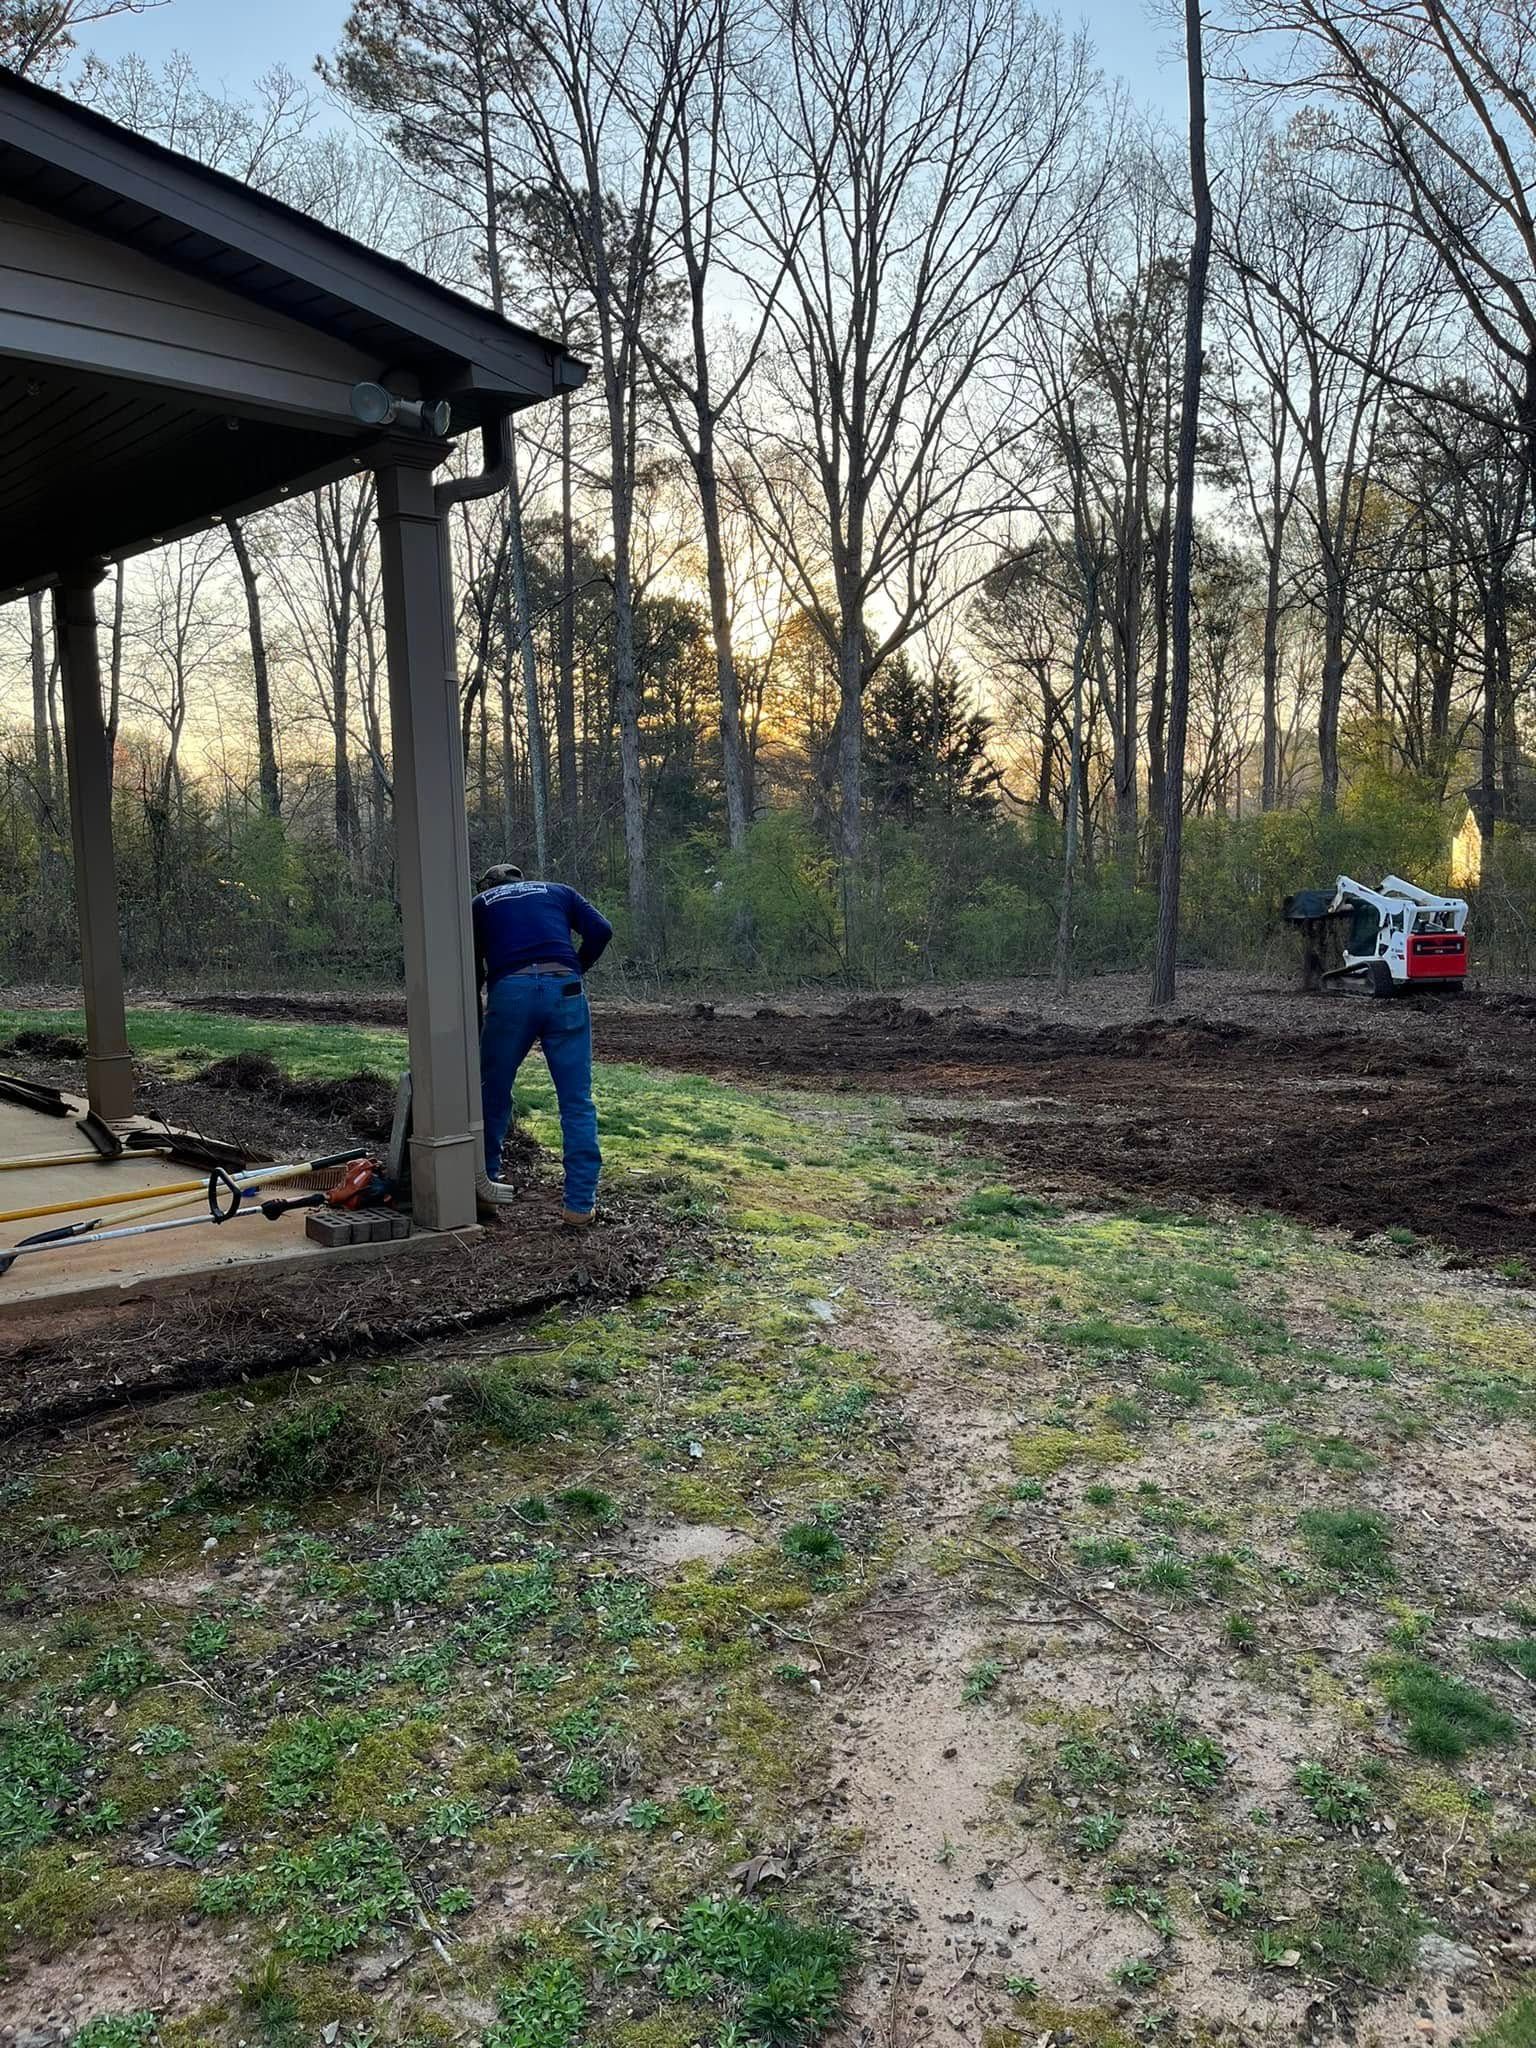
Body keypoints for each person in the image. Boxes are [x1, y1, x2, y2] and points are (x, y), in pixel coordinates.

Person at [473, 863, 613, 1223]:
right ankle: (579, 1206)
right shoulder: (559, 890)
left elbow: (469, 967)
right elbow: (601, 929)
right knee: (576, 1100)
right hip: (564, 989)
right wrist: (577, 967)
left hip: (511, 992)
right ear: (523, 880)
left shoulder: (481, 903)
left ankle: (485, 1188)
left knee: (492, 1091)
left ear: (489, 884)